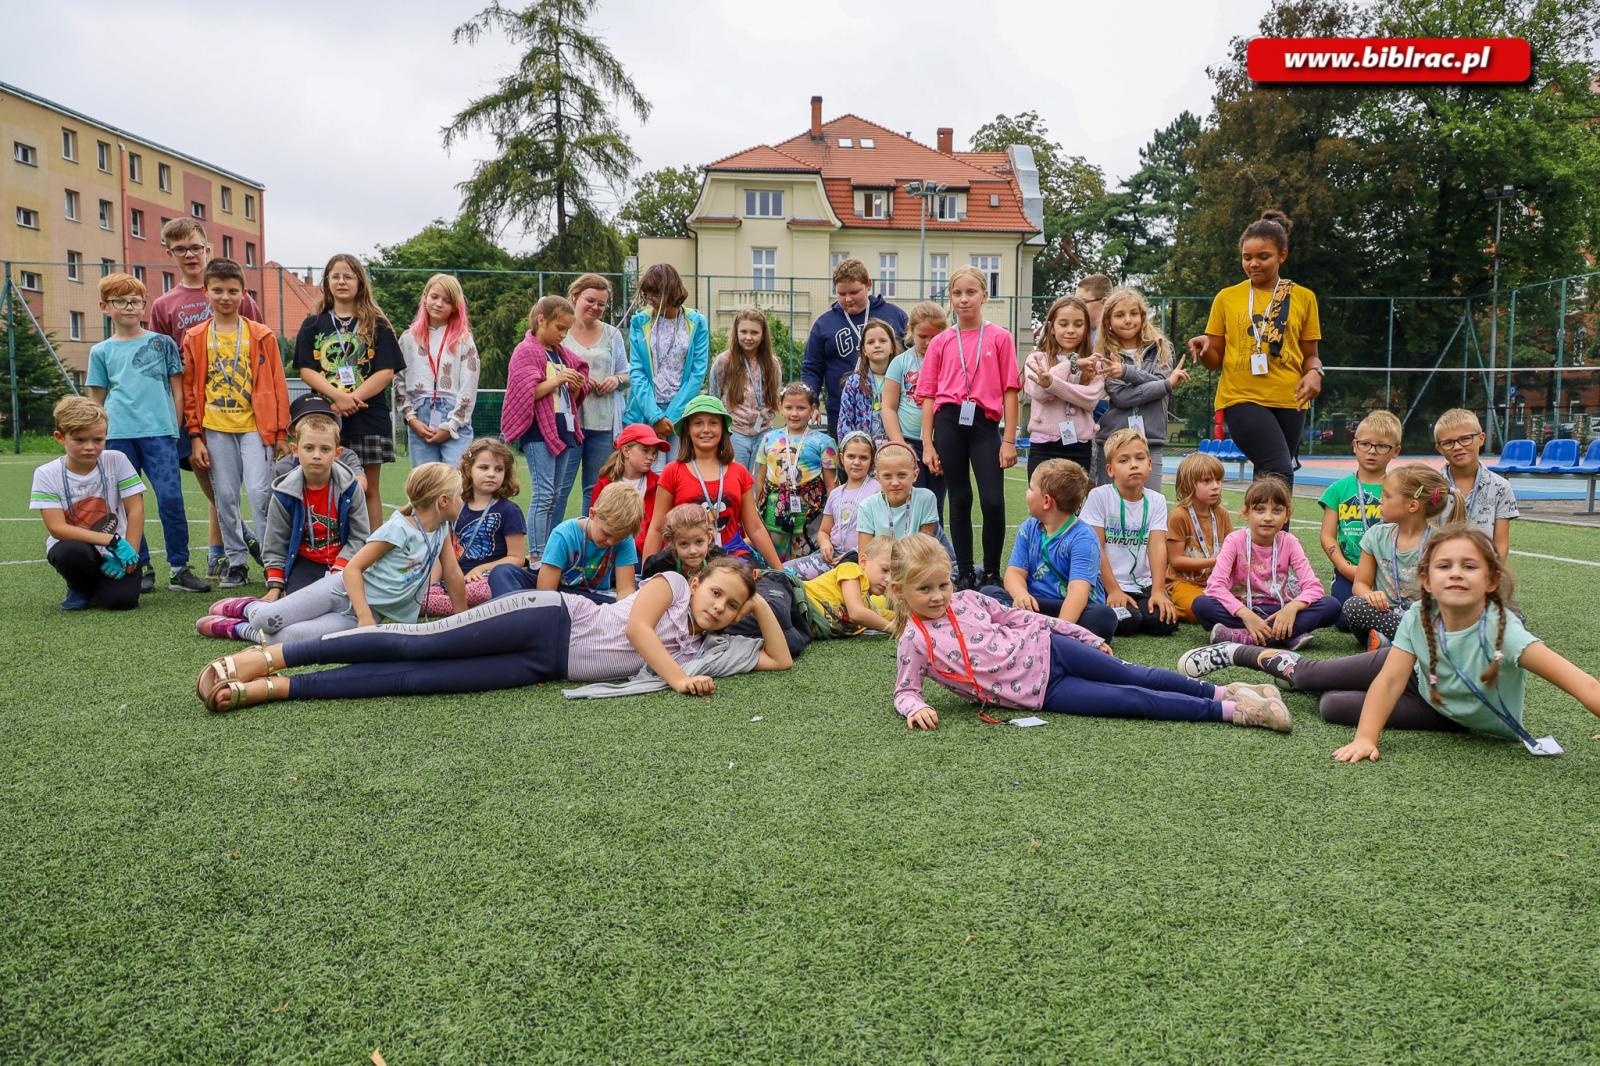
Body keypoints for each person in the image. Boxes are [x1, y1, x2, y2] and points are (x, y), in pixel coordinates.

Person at [1177, 527, 1600, 761]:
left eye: (1469, 566)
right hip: (1411, 677)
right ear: (1427, 580)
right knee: (1313, 674)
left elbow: (1585, 686)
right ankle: (1237, 653)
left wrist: (1365, 731)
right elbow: (1391, 680)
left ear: (1491, 581)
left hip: (1448, 714)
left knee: (1331, 706)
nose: (1456, 573)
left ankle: (1280, 685)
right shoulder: (1419, 616)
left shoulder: (1505, 630)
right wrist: (1368, 738)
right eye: (1444, 566)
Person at [194, 557, 794, 712]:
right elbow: (637, 627)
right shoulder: (672, 584)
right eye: (718, 592)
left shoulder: (712, 643)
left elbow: (780, 662)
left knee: (417, 683)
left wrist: (762, 600)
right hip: (549, 615)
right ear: (701, 579)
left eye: (730, 605)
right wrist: (679, 678)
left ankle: (277, 690)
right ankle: (267, 654)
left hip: (544, 667)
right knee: (415, 642)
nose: (719, 606)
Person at [888, 534, 1290, 733]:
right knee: (1132, 700)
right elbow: (905, 690)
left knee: (1138, 674)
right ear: (899, 591)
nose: (939, 596)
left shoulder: (970, 599)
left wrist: (1082, 636)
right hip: (1044, 694)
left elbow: (1028, 621)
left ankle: (1226, 691)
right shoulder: (914, 641)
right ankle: (1236, 712)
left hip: (1053, 648)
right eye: (924, 589)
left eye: (943, 584)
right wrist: (914, 708)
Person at [196, 463, 463, 646]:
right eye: (459, 496)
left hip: (357, 613)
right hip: (339, 591)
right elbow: (352, 569)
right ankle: (244, 608)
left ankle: (233, 628)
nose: (463, 501)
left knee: (285, 639)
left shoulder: (441, 529)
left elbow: (452, 573)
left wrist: (463, 620)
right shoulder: (399, 529)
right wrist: (364, 617)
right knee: (265, 620)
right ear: (443, 501)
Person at [148, 217, 265, 580]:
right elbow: (163, 361)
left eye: (195, 247)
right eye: (180, 249)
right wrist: (176, 412)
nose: (189, 255)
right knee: (213, 476)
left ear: (207, 249)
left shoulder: (234, 291)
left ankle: (223, 552)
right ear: (169, 253)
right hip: (194, 405)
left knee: (249, 484)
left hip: (244, 406)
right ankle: (234, 543)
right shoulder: (164, 305)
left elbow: (261, 350)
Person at [85, 272, 208, 594]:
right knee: (127, 504)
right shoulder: (101, 352)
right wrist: (94, 435)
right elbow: (95, 400)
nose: (129, 307)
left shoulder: (162, 343)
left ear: (144, 305)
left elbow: (177, 390)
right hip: (118, 437)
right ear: (104, 307)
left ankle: (180, 567)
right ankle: (138, 565)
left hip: (160, 435)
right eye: (120, 301)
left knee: (171, 499)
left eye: (135, 301)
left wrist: (174, 427)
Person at [1188, 210, 1324, 486]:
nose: (1253, 264)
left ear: (1282, 255)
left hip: (1291, 399)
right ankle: (1271, 531)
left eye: (1263, 257)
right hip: (1241, 397)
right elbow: (1215, 360)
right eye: (1247, 257)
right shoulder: (1227, 298)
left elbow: (1310, 356)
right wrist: (1204, 349)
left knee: (1269, 475)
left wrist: (1315, 373)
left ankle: (1269, 531)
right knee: (1278, 470)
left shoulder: (1303, 298)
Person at [181, 257, 290, 589]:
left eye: (232, 291)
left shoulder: (261, 335)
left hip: (256, 428)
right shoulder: (195, 337)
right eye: (218, 291)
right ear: (206, 292)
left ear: (244, 292)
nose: (225, 297)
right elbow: (189, 389)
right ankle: (237, 562)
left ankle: (273, 563)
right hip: (215, 427)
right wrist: (195, 435)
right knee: (225, 496)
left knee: (260, 493)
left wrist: (282, 431)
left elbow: (278, 382)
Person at [917, 266, 1020, 590]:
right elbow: (929, 395)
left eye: (970, 292)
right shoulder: (942, 342)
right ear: (950, 298)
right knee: (959, 498)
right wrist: (927, 443)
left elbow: (1010, 390)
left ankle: (991, 571)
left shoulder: (1000, 337)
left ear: (984, 296)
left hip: (984, 423)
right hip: (948, 421)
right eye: (957, 293)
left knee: (992, 499)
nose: (964, 299)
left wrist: (1009, 440)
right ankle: (963, 571)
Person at [209, 411, 368, 618]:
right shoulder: (284, 493)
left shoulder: (350, 489)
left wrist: (340, 568)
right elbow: (275, 542)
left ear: (337, 453)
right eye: (309, 448)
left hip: (345, 564)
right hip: (306, 563)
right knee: (298, 612)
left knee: (349, 609)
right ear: (295, 450)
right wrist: (275, 586)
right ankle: (245, 611)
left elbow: (360, 537)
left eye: (325, 449)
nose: (317, 455)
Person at [294, 253, 405, 527]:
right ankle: (335, 550)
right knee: (328, 486)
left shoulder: (377, 324)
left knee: (368, 488)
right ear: (327, 282)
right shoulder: (313, 323)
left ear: (360, 282)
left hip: (369, 415)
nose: (342, 281)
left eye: (348, 276)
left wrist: (353, 398)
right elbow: (306, 368)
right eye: (336, 276)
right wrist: (338, 397)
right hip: (327, 416)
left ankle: (372, 554)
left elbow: (386, 371)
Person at [1189, 475, 1342, 647]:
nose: (1268, 517)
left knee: (1331, 606)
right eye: (1260, 510)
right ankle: (1284, 636)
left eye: (1277, 511)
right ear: (1246, 513)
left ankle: (1244, 637)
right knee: (1201, 605)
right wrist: (1246, 615)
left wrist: (1292, 608)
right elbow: (1215, 586)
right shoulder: (1234, 540)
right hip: (1241, 607)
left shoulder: (1289, 542)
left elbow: (1313, 587)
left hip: (1278, 610)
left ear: (1286, 515)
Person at [979, 458, 1118, 641]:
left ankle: (1037, 631)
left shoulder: (1083, 537)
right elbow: (1014, 573)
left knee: (1103, 617)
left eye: (1030, 488)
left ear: (1046, 501)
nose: (1026, 493)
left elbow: (1077, 592)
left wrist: (1058, 633)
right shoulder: (1029, 528)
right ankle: (1034, 626)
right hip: (1035, 602)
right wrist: (1021, 594)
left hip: (1071, 606)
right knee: (988, 594)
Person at [640, 395, 784, 569]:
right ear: (687, 430)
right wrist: (646, 574)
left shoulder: (739, 472)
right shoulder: (672, 471)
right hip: (686, 556)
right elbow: (656, 528)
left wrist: (780, 571)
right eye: (698, 423)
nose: (706, 429)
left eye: (713, 423)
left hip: (732, 555)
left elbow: (755, 528)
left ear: (723, 429)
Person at [29, 396, 145, 611]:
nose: (90, 447)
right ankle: (79, 586)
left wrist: (129, 553)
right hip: (80, 547)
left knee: (122, 601)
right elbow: (57, 528)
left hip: (117, 550)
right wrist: (113, 540)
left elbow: (135, 509)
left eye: (98, 440)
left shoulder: (117, 460)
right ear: (60, 437)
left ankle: (102, 586)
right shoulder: (46, 474)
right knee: (69, 553)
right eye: (80, 440)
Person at [501, 294, 591, 563]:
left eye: (566, 329)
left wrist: (575, 385)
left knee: (556, 495)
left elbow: (576, 387)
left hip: (564, 427)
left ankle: (551, 554)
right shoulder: (526, 350)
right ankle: (538, 555)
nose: (563, 334)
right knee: (544, 493)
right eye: (559, 328)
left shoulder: (562, 354)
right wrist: (558, 380)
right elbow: (525, 392)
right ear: (541, 320)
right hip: (538, 431)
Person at [1341, 464, 1464, 648]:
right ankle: (1417, 643)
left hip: (1423, 617)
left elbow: (1447, 595)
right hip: (1385, 615)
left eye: (1388, 496)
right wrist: (1370, 595)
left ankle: (1393, 642)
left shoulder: (1440, 543)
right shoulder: (1375, 536)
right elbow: (1360, 584)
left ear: (1412, 506)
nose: (1380, 501)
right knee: (1353, 606)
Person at [1080, 429, 1179, 637]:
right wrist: (1114, 590)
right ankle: (1111, 604)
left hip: (1142, 585)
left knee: (1163, 622)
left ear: (1150, 464)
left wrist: (1159, 591)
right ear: (1110, 469)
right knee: (1128, 623)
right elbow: (1095, 547)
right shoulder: (1099, 496)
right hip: (1108, 582)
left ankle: (1143, 604)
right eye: (1124, 460)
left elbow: (1157, 546)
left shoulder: (1156, 500)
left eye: (1140, 458)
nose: (1134, 464)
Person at [802, 257, 909, 438]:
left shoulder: (894, 315)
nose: (848, 299)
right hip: (842, 411)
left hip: (893, 407)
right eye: (841, 294)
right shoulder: (824, 324)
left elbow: (912, 357)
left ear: (868, 284)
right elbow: (812, 367)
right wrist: (810, 401)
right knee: (851, 462)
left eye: (854, 292)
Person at [1094, 288, 1188, 489]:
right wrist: (1164, 385)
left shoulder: (1162, 348)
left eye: (1133, 313)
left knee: (1151, 509)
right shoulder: (1104, 353)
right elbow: (1121, 397)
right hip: (1112, 444)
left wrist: (1127, 372)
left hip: (1150, 442)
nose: (1128, 320)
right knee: (1110, 511)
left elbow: (1160, 384)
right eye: (1119, 315)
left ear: (1143, 317)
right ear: (1108, 321)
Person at [420, 436, 525, 617]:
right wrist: (429, 587)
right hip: (456, 579)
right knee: (420, 599)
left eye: (498, 469)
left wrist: (480, 569)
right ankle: (469, 609)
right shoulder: (454, 507)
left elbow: (517, 558)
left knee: (481, 592)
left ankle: (465, 607)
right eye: (484, 467)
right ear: (468, 469)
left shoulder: (509, 510)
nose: (492, 474)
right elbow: (443, 555)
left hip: (488, 580)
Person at [487, 481, 642, 602]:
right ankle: (516, 617)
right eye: (607, 534)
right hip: (557, 594)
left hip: (592, 598)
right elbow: (545, 591)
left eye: (618, 538)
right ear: (593, 514)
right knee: (502, 572)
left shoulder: (625, 539)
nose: (611, 542)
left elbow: (625, 589)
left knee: (627, 604)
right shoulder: (564, 535)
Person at [623, 264, 708, 464]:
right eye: (647, 294)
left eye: (655, 293)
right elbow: (637, 371)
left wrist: (669, 418)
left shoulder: (697, 322)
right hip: (646, 409)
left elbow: (697, 373)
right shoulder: (640, 321)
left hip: (680, 412)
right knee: (647, 472)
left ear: (670, 291)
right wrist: (655, 417)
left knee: (676, 473)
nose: (650, 299)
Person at [1318, 411, 1399, 613]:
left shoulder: (1399, 489)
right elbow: (1327, 536)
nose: (1372, 451)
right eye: (1365, 444)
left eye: (1382, 446)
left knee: (1395, 609)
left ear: (1395, 451)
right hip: (1351, 570)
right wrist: (1345, 568)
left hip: (1389, 571)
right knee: (1344, 616)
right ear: (1355, 446)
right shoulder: (1337, 490)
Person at [397, 273, 479, 468]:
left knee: (456, 481)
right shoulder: (407, 339)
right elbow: (399, 381)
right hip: (419, 419)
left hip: (454, 419)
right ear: (425, 296)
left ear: (455, 307)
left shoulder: (464, 339)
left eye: (447, 301)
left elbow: (469, 384)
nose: (439, 304)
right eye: (434, 297)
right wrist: (411, 418)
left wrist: (452, 424)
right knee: (425, 484)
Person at [564, 274, 630, 513]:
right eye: (590, 300)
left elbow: (626, 374)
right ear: (575, 297)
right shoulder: (561, 332)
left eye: (601, 304)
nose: (595, 307)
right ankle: (551, 547)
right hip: (569, 425)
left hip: (603, 425)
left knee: (595, 491)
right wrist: (575, 379)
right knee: (560, 489)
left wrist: (616, 380)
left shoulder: (613, 335)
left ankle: (588, 543)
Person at [753, 382, 837, 560]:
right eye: (789, 407)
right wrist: (756, 510)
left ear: (812, 409)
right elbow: (760, 479)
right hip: (773, 511)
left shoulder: (824, 442)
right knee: (774, 560)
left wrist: (832, 516)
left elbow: (831, 485)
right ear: (780, 408)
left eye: (801, 408)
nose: (794, 413)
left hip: (809, 514)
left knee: (803, 561)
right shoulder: (769, 438)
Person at [1023, 294, 1102, 477]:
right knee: (1041, 504)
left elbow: (1089, 400)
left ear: (1086, 328)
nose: (1071, 330)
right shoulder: (1036, 358)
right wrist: (1070, 365)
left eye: (1078, 324)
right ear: (1051, 327)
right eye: (1063, 324)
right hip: (1043, 446)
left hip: (1079, 446)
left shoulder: (1093, 363)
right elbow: (1039, 392)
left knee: (1075, 504)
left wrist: (1052, 383)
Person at [882, 301, 947, 520]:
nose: (929, 343)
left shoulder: (951, 362)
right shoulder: (900, 362)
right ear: (911, 332)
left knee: (934, 505)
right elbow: (889, 407)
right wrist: (900, 445)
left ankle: (932, 550)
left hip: (941, 443)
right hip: (910, 442)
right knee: (908, 504)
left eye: (935, 337)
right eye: (922, 336)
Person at [784, 431, 880, 581]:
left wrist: (854, 556)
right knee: (783, 572)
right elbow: (823, 531)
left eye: (863, 458)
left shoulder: (877, 489)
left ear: (872, 461)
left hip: (858, 560)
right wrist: (825, 544)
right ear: (841, 458)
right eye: (851, 456)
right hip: (830, 557)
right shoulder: (836, 493)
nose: (856, 462)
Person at [1434, 408, 1518, 560]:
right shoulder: (1432, 485)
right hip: (1441, 571)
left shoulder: (1500, 487)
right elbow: (1426, 534)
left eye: (1465, 438)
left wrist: (1493, 575)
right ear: (1439, 448)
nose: (1458, 447)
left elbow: (1500, 543)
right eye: (1448, 443)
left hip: (1482, 573)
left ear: (1481, 438)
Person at [1165, 451, 1232, 625]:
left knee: (1248, 602)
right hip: (1184, 582)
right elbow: (1176, 560)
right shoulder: (1180, 515)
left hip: (1217, 581)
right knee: (1197, 610)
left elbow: (1233, 548)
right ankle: (1174, 604)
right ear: (1188, 485)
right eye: (1207, 481)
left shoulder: (1222, 514)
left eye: (1218, 480)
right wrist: (1213, 561)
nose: (1216, 486)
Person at [708, 308, 780, 470]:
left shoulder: (772, 363)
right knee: (734, 481)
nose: (748, 337)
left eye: (754, 332)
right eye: (744, 332)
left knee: (757, 484)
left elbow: (775, 395)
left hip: (763, 432)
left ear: (763, 336)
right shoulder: (723, 361)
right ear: (736, 333)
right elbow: (714, 397)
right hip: (735, 432)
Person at [854, 442, 941, 561]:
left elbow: (925, 550)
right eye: (887, 476)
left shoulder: (926, 498)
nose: (895, 483)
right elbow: (864, 558)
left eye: (902, 475)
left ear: (915, 475)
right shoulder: (867, 506)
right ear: (878, 477)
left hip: (915, 563)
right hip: (879, 567)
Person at [591, 424, 669, 556]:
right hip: (608, 552)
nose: (651, 457)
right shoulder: (605, 484)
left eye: (653, 453)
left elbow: (660, 528)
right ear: (626, 451)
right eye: (645, 450)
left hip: (645, 554)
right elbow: (596, 524)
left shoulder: (659, 484)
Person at [797, 536, 895, 638]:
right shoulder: (851, 569)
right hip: (796, 599)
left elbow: (884, 615)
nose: (888, 579)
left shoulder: (867, 604)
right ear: (863, 562)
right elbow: (856, 613)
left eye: (894, 576)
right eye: (884, 570)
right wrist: (893, 629)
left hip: (802, 623)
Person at [837, 319, 899, 443]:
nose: (877, 345)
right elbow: (845, 420)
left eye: (882, 341)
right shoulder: (854, 382)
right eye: (871, 342)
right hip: (863, 450)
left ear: (892, 347)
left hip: (894, 449)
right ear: (864, 350)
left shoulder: (901, 380)